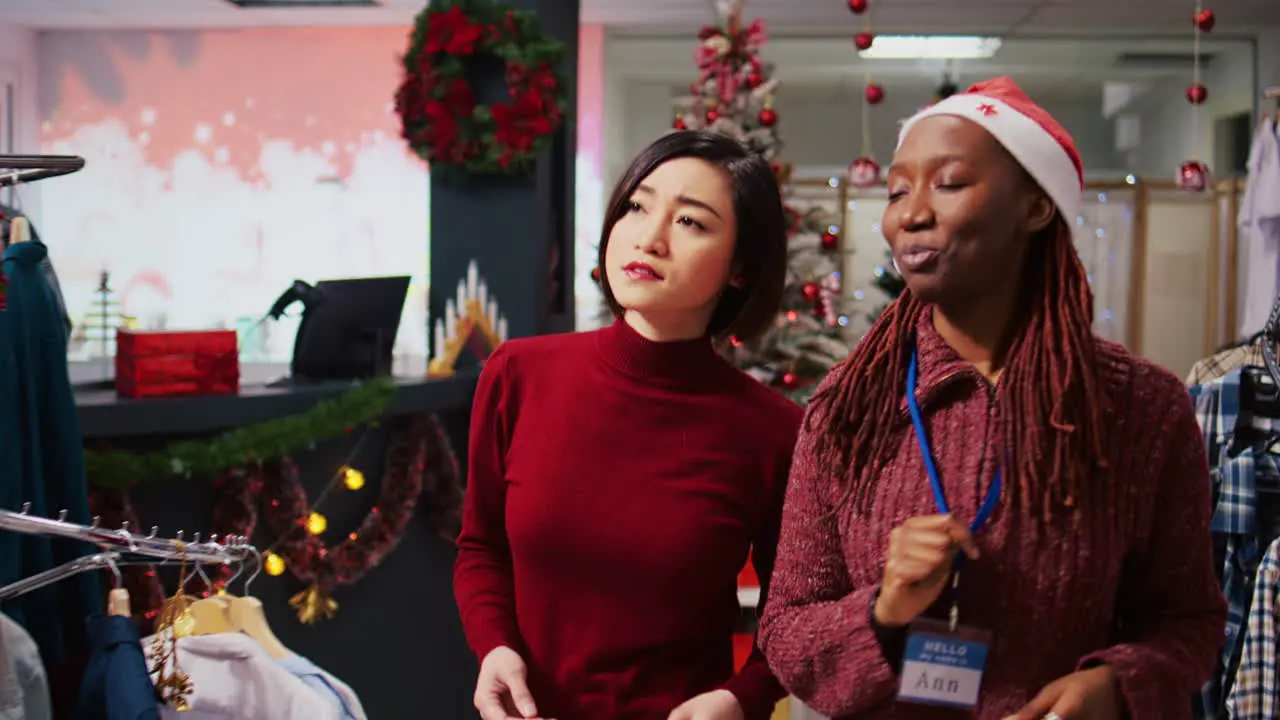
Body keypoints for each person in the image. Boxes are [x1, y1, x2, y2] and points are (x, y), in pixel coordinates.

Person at [757, 76, 1226, 719]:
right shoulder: (851, 405)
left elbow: (1189, 621)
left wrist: (1117, 685)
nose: (910, 213)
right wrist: (883, 610)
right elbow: (784, 631)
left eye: (949, 183)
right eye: (897, 190)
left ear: (1035, 208)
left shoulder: (1142, 408)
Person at [454, 130, 801, 720]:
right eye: (637, 207)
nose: (649, 237)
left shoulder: (773, 430)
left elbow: (795, 613)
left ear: (741, 267)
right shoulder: (519, 373)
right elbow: (481, 548)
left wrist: (741, 698)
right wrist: (494, 648)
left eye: (691, 222)